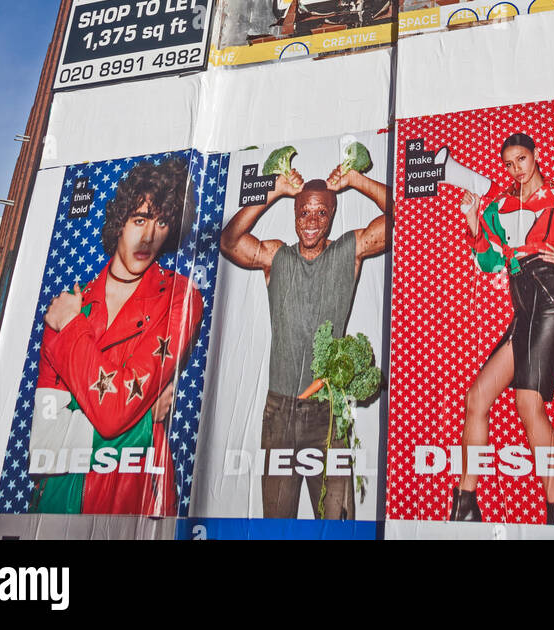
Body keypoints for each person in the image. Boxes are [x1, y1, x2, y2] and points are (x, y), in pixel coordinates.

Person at [447, 132, 554, 526]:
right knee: (477, 398)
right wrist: (473, 222)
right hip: (524, 304)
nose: (515, 170)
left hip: (551, 296)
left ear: (536, 156)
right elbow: (491, 262)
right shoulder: (500, 205)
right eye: (508, 163)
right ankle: (466, 504)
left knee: (528, 403)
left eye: (521, 160)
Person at [29, 156, 203, 517]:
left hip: (132, 490)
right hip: (60, 496)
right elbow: (45, 442)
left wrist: (73, 329)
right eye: (139, 219)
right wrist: (143, 423)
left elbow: (111, 414)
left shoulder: (179, 297)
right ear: (120, 224)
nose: (149, 235)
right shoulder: (71, 306)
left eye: (162, 222)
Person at [220, 163, 390, 520]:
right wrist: (273, 190)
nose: (311, 221)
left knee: (337, 525)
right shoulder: (275, 257)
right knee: (276, 524)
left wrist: (356, 180)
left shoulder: (349, 251)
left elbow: (403, 216)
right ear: (295, 214)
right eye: (304, 212)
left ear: (332, 215)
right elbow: (229, 241)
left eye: (321, 212)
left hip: (328, 415)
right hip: (279, 412)